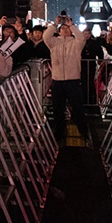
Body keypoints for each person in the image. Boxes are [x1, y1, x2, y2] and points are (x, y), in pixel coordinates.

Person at [44, 15, 90, 145]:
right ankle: (58, 134)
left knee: (78, 108)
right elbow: (45, 37)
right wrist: (55, 24)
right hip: (58, 80)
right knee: (58, 109)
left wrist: (72, 25)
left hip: (73, 79)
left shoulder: (76, 43)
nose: (64, 30)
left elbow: (81, 37)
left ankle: (84, 132)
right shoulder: (54, 42)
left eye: (67, 28)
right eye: (62, 28)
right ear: (58, 31)